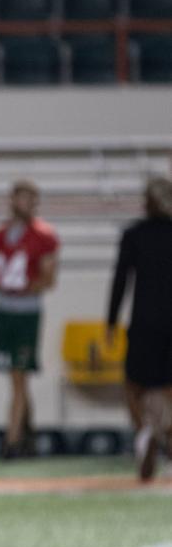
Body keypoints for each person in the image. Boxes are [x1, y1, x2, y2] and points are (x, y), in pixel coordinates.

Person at [0, 181, 59, 457]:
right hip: (5, 311)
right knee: (16, 378)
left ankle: (12, 440)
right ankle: (28, 434)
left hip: (27, 312)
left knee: (18, 376)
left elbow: (48, 278)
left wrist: (23, 286)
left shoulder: (44, 236)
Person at [107, 177, 172, 481]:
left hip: (144, 320)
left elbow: (121, 281)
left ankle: (146, 433)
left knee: (133, 384)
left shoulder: (134, 235)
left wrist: (110, 321)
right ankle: (167, 429)